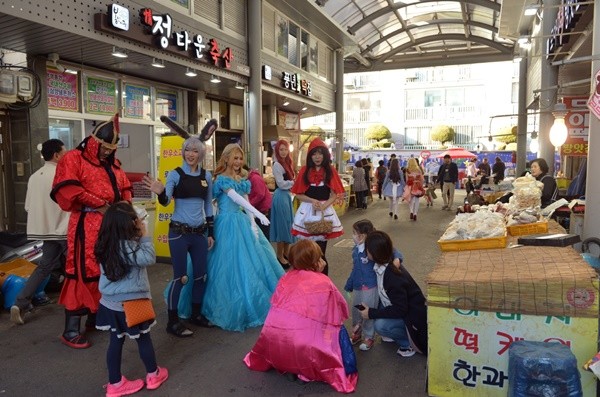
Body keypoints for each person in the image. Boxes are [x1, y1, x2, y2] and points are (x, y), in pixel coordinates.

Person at [51, 113, 132, 349]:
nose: (107, 152)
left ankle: (97, 319)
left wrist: (123, 208)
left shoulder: (114, 165)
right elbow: (68, 190)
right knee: (82, 271)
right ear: (94, 140)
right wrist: (100, 204)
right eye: (104, 147)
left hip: (111, 227)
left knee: (107, 271)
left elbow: (125, 188)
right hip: (85, 226)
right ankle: (71, 329)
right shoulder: (74, 158)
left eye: (111, 148)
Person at [243, 240, 358, 393]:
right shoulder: (323, 281)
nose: (322, 261)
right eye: (319, 259)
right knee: (334, 330)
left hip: (275, 341)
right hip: (304, 347)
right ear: (313, 262)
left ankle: (289, 366)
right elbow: (339, 311)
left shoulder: (285, 278)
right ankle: (305, 373)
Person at [202, 143, 284, 332]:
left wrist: (254, 224)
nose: (238, 162)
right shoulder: (221, 179)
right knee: (224, 266)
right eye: (235, 158)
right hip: (225, 223)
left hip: (241, 222)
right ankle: (221, 306)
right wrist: (260, 214)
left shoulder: (242, 179)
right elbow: (235, 199)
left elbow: (245, 202)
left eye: (240, 158)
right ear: (226, 158)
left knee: (252, 263)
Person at [143, 135, 214, 337]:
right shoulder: (175, 174)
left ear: (201, 154)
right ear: (183, 152)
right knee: (181, 277)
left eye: (194, 151)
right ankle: (172, 322)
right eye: (187, 150)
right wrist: (160, 192)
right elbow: (166, 202)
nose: (190, 154)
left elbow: (208, 205)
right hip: (179, 233)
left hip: (200, 233)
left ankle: (196, 314)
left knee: (201, 276)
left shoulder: (206, 176)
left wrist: (211, 232)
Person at [94, 202, 169, 396]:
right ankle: (153, 374)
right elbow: (149, 258)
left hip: (110, 302)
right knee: (144, 338)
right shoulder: (127, 246)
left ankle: (115, 383)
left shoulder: (105, 243)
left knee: (115, 340)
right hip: (132, 303)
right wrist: (144, 236)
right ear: (128, 224)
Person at [10, 139, 69, 325]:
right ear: (56, 155)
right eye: (64, 151)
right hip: (66, 230)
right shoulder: (63, 174)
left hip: (45, 231)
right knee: (80, 267)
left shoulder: (34, 177)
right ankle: (84, 306)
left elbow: (28, 206)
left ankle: (20, 303)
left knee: (44, 267)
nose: (66, 155)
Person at [356, 231, 428, 358]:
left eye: (367, 249)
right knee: (379, 314)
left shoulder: (392, 276)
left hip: (413, 316)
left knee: (381, 326)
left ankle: (407, 344)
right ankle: (395, 332)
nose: (365, 252)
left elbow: (400, 309)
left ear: (373, 253)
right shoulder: (385, 263)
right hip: (405, 307)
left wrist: (371, 313)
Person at [345, 220, 403, 351]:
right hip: (358, 288)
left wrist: (397, 259)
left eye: (355, 233)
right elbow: (354, 269)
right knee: (356, 311)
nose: (353, 236)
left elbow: (393, 250)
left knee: (368, 312)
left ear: (363, 235)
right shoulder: (355, 250)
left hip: (371, 288)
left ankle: (369, 336)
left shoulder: (373, 246)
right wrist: (349, 284)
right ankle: (357, 333)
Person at [290, 138, 345, 275]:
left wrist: (323, 205)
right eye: (314, 154)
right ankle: (308, 280)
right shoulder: (304, 171)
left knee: (320, 254)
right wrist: (312, 201)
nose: (317, 157)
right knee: (306, 252)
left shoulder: (330, 171)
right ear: (310, 155)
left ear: (325, 155)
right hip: (307, 211)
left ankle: (323, 281)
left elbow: (334, 194)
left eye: (320, 154)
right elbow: (299, 194)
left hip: (323, 213)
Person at [269, 139, 296, 269]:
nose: (284, 152)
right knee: (282, 226)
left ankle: (286, 253)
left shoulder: (287, 163)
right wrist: (293, 183)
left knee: (288, 225)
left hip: (287, 196)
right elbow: (281, 183)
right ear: (277, 151)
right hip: (280, 195)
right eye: (281, 149)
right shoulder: (277, 165)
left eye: (285, 149)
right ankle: (280, 255)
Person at [245, 165, 272, 239]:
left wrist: (248, 204)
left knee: (263, 235)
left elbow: (260, 194)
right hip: (258, 209)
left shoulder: (255, 178)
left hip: (263, 209)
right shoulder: (250, 178)